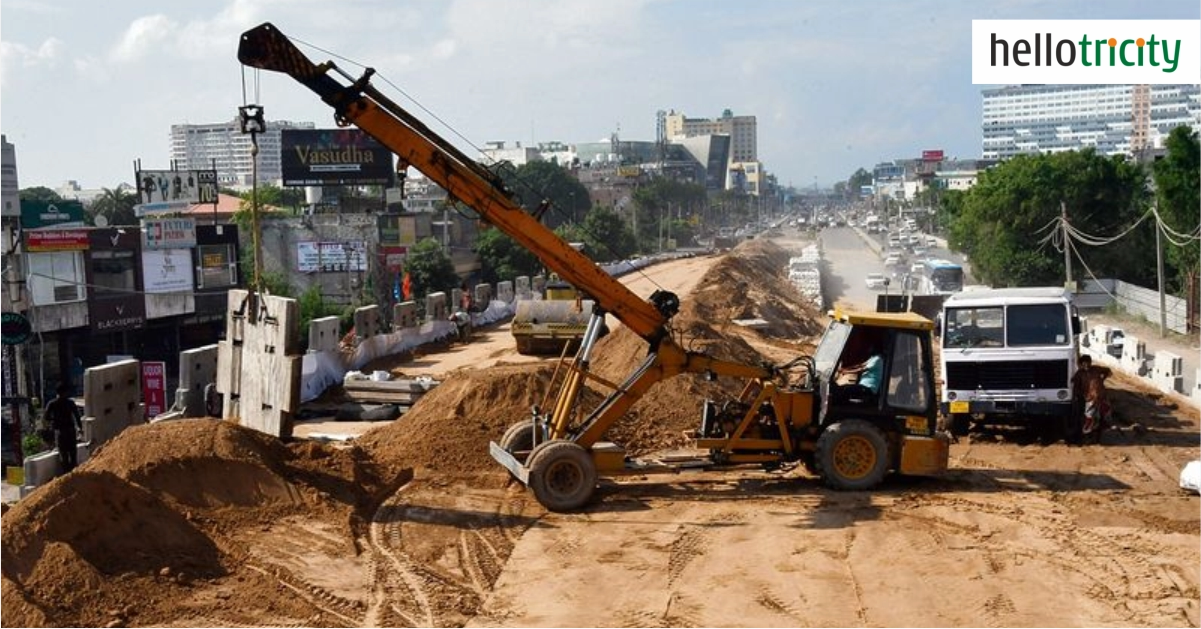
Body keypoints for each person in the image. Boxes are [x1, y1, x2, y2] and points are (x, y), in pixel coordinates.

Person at [1072, 354, 1113, 442]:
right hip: (1089, 399)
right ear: (1081, 364)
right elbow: (1075, 385)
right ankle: (1087, 436)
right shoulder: (1079, 374)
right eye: (1084, 363)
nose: (1086, 365)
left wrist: (1103, 378)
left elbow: (1108, 371)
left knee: (1105, 417)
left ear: (1090, 363)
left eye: (1088, 363)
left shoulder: (1096, 369)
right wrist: (1076, 396)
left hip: (1102, 397)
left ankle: (1100, 434)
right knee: (1089, 417)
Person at [44, 383, 83, 473]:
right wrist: (80, 428)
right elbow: (77, 416)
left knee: (63, 455)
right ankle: (74, 474)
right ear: (65, 392)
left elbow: (46, 417)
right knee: (73, 454)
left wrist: (55, 420)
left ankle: (66, 475)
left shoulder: (52, 403)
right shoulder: (70, 403)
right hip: (70, 431)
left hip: (60, 432)